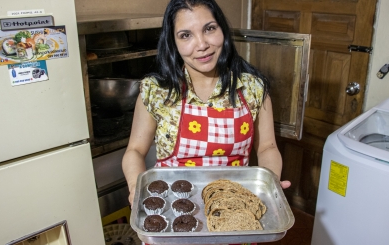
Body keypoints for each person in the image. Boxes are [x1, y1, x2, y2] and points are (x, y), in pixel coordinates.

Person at [122, 0, 291, 243]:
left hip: (235, 211)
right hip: (173, 212)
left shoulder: (253, 87)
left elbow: (267, 147)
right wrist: (135, 188)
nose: (201, 45)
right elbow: (135, 151)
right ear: (173, 43)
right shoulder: (156, 91)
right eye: (185, 35)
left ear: (222, 30)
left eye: (209, 29)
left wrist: (270, 186)